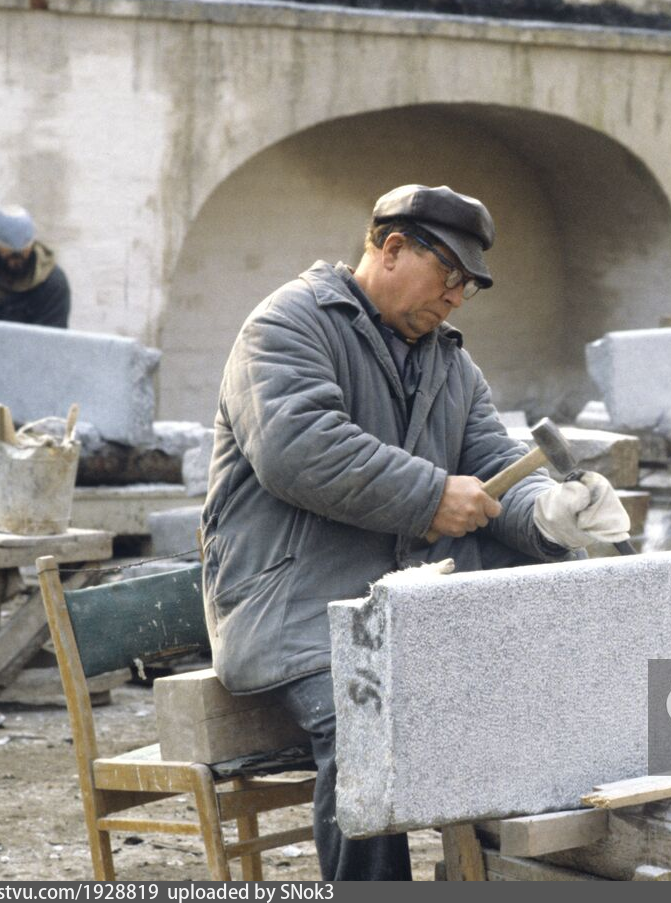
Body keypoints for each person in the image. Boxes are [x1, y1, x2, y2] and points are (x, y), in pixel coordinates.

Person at [201, 184, 630, 880]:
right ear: (392, 248)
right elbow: (298, 448)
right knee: (370, 719)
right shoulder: (286, 324)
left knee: (543, 690)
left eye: (469, 286)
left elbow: (496, 468)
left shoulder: (450, 363)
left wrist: (550, 513)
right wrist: (431, 496)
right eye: (450, 276)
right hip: (295, 612)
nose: (457, 298)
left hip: (407, 616)